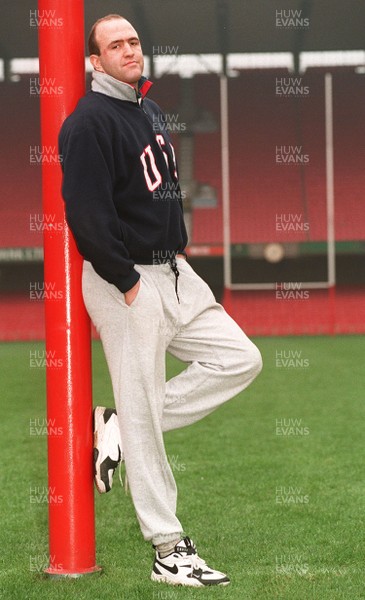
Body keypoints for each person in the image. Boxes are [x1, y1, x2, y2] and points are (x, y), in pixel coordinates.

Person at [59, 14, 262, 588]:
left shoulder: (145, 108)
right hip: (127, 280)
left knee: (240, 358)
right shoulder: (88, 123)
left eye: (133, 42)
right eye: (114, 46)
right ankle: (167, 549)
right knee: (144, 407)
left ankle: (120, 425)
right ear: (94, 61)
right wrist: (126, 281)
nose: (129, 51)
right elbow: (87, 216)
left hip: (175, 271)